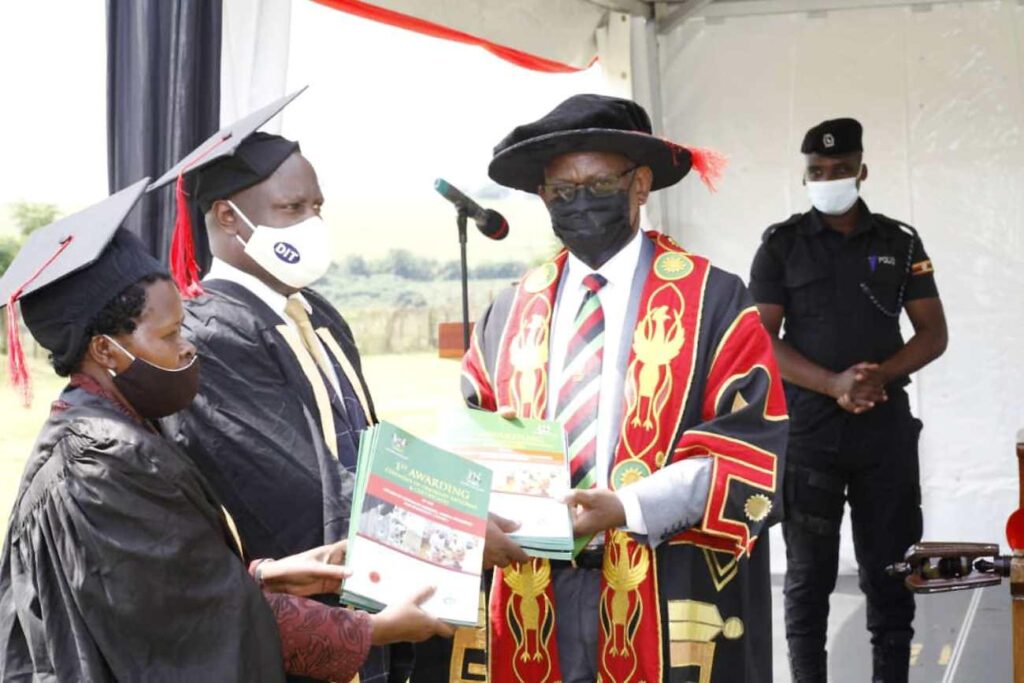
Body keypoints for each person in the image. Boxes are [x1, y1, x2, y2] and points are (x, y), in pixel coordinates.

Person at [0, 182, 452, 682]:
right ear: (106, 351)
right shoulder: (102, 462)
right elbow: (201, 624)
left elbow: (160, 590)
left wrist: (259, 576)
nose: (188, 348)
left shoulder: (106, 430)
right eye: (170, 335)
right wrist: (371, 630)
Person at [153, 90, 525, 682]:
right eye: (292, 207)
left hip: (370, 586)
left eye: (317, 207)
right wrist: (452, 523)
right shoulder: (210, 332)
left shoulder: (316, 312)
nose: (311, 223)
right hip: (301, 610)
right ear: (228, 217)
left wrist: (473, 490)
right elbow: (293, 480)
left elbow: (371, 447)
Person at [460, 94, 789, 683]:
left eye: (598, 183)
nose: (579, 202)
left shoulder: (714, 300)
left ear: (641, 185)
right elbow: (472, 434)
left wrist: (627, 507)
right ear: (542, 196)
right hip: (536, 591)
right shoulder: (509, 312)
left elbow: (751, 450)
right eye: (561, 190)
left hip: (664, 581)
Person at [749, 118, 948, 682]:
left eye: (839, 170)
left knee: (890, 573)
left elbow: (933, 333)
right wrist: (834, 385)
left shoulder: (899, 242)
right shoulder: (782, 245)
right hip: (809, 434)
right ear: (804, 176)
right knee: (808, 581)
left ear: (862, 171)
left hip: (883, 432)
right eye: (816, 172)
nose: (828, 179)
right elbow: (760, 340)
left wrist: (876, 377)